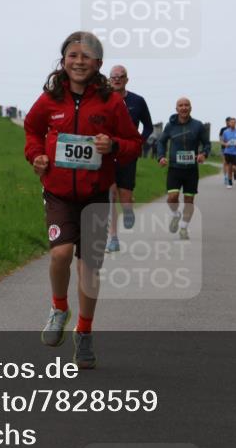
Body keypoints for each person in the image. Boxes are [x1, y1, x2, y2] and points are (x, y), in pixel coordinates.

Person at [24, 31, 142, 369]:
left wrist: (114, 146)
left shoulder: (111, 102)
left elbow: (133, 143)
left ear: (98, 64)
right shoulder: (49, 100)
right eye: (73, 55)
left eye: (86, 56)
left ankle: (85, 335)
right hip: (58, 192)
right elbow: (31, 131)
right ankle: (59, 308)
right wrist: (37, 156)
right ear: (63, 60)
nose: (79, 61)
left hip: (95, 196)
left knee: (89, 267)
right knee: (61, 253)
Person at [105, 65, 153, 253]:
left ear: (127, 79)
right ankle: (113, 238)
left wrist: (138, 143)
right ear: (109, 80)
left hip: (127, 153)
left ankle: (128, 210)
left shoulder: (137, 101)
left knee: (125, 195)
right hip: (107, 152)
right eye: (113, 77)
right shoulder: (103, 99)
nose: (116, 79)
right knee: (111, 195)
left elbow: (148, 126)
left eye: (120, 76)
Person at [156, 97, 210, 240]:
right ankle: (175, 215)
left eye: (186, 105)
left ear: (190, 108)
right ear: (177, 109)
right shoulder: (170, 126)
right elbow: (161, 142)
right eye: (181, 105)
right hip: (175, 168)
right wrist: (161, 156)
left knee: (189, 201)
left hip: (191, 169)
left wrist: (203, 154)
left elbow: (207, 144)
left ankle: (184, 228)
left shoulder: (198, 125)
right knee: (172, 198)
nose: (184, 108)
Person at [220, 117, 236, 188]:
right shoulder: (225, 132)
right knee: (229, 167)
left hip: (235, 152)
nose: (233, 124)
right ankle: (230, 182)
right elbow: (221, 141)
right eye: (231, 122)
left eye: (234, 122)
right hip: (227, 152)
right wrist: (225, 144)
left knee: (234, 168)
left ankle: (235, 173)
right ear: (229, 123)